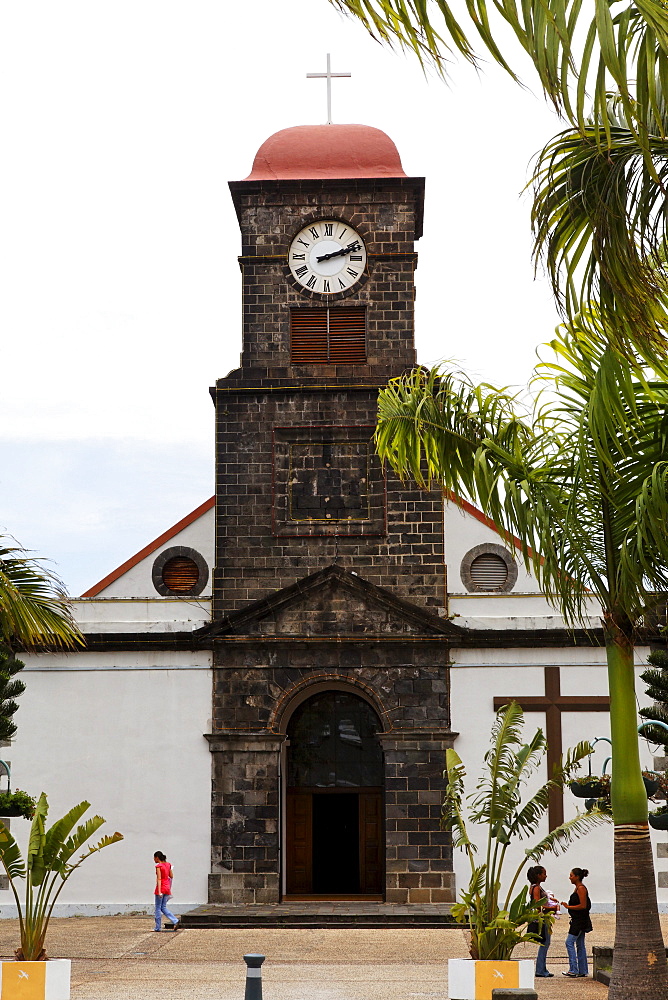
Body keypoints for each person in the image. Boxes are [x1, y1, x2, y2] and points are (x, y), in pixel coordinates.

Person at [527, 865, 558, 977]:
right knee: (545, 943)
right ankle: (540, 969)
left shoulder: (536, 887)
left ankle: (543, 968)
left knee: (546, 942)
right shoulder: (536, 888)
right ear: (538, 875)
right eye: (544, 874)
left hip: (544, 917)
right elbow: (537, 905)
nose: (546, 876)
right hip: (542, 918)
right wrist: (552, 908)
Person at [560, 867, 592, 977]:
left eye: (571, 875)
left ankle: (573, 969)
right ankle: (582, 970)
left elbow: (583, 905)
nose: (570, 878)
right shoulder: (577, 888)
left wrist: (569, 906)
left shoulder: (581, 889)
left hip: (579, 921)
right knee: (580, 944)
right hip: (579, 920)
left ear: (577, 877)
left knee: (569, 942)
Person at [154, 851, 179, 932]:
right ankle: (175, 920)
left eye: (154, 858)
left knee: (158, 908)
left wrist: (159, 891)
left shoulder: (159, 866)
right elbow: (171, 876)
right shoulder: (168, 864)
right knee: (163, 907)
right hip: (167, 887)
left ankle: (158, 927)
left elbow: (159, 878)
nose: (154, 859)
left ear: (157, 857)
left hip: (161, 887)